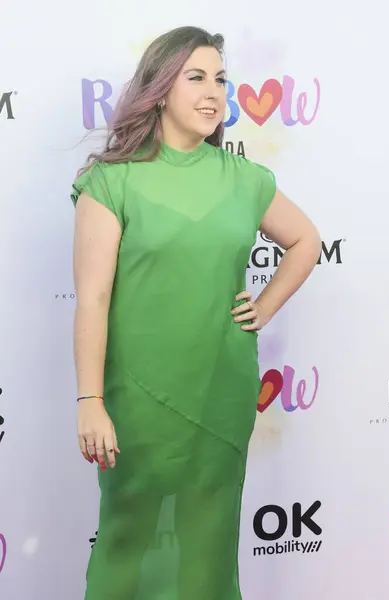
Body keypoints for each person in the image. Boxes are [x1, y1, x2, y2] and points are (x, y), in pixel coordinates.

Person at [71, 25, 321, 600]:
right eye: (197, 77)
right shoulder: (111, 182)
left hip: (221, 392)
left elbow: (306, 241)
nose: (214, 92)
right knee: (127, 541)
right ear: (159, 89)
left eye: (222, 79)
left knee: (207, 543)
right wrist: (90, 401)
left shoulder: (246, 179)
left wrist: (263, 306)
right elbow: (94, 299)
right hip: (135, 401)